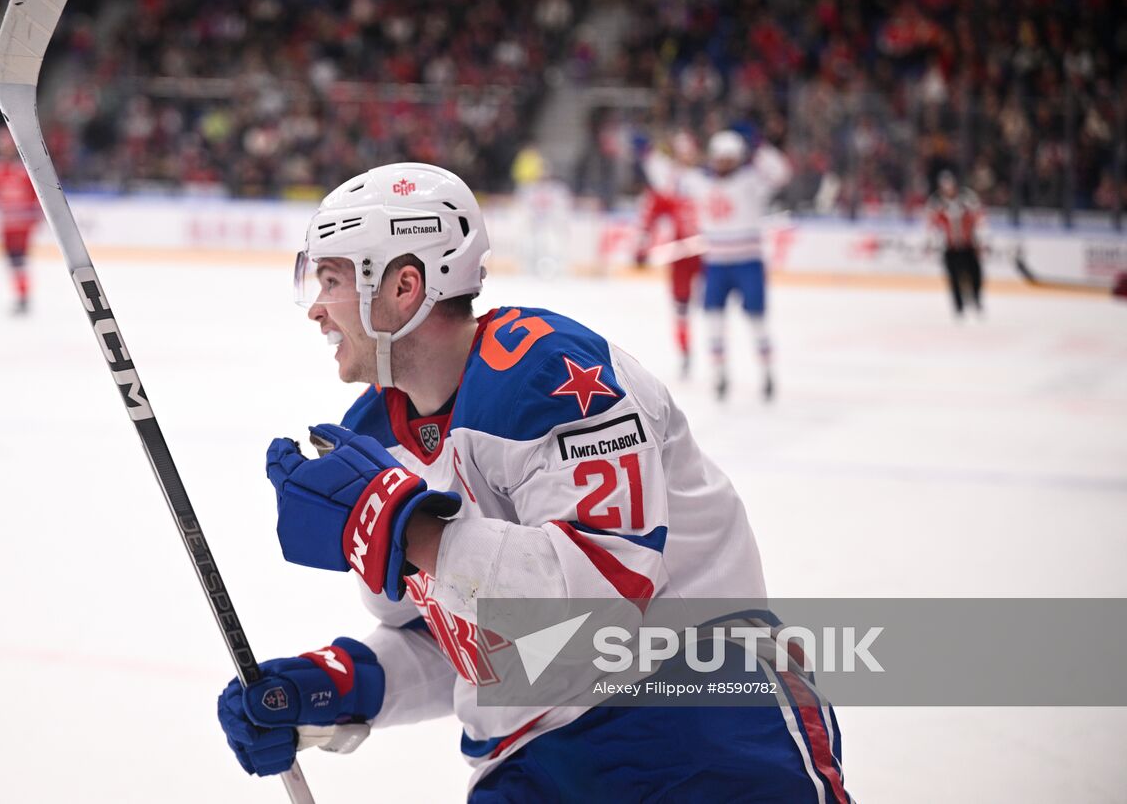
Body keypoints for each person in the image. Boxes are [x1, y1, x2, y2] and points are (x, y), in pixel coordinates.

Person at [216, 163, 848, 801]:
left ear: (404, 285)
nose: (316, 310)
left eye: (332, 280)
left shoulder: (546, 371)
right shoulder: (373, 439)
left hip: (696, 722)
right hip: (530, 763)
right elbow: (465, 639)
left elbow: (605, 603)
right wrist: (337, 684)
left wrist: (410, 530)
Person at [677, 131, 790, 401]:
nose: (723, 164)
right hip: (716, 263)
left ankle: (767, 373)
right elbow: (673, 178)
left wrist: (763, 146)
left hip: (747, 262)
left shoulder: (750, 180)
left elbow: (782, 174)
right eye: (719, 158)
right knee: (714, 321)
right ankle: (720, 375)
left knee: (757, 321)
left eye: (729, 159)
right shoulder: (698, 181)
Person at [638, 130, 703, 376]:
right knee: (681, 307)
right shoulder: (668, 185)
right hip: (682, 256)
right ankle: (686, 352)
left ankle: (719, 357)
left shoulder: (707, 180)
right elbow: (650, 216)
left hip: (710, 254)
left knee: (714, 307)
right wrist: (642, 247)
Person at [0, 125, 41, 314]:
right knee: (14, 262)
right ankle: (22, 296)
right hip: (6, 224)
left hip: (22, 225)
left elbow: (37, 197)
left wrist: (36, 217)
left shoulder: (24, 169)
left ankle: (23, 297)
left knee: (19, 261)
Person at [927, 170, 984, 318]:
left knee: (976, 274)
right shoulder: (936, 202)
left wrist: (980, 239)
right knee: (953, 278)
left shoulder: (967, 198)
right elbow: (932, 224)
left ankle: (976, 299)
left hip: (968, 245)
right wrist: (933, 242)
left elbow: (979, 218)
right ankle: (959, 307)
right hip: (950, 247)